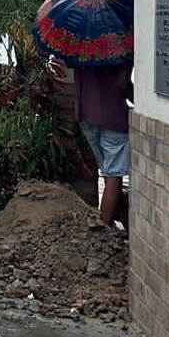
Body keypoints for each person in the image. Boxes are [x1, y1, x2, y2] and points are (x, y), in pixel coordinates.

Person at [68, 61, 132, 230]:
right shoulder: (120, 46)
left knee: (107, 170)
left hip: (85, 114)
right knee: (114, 174)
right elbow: (122, 82)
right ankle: (104, 227)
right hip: (112, 115)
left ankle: (122, 219)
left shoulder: (79, 46)